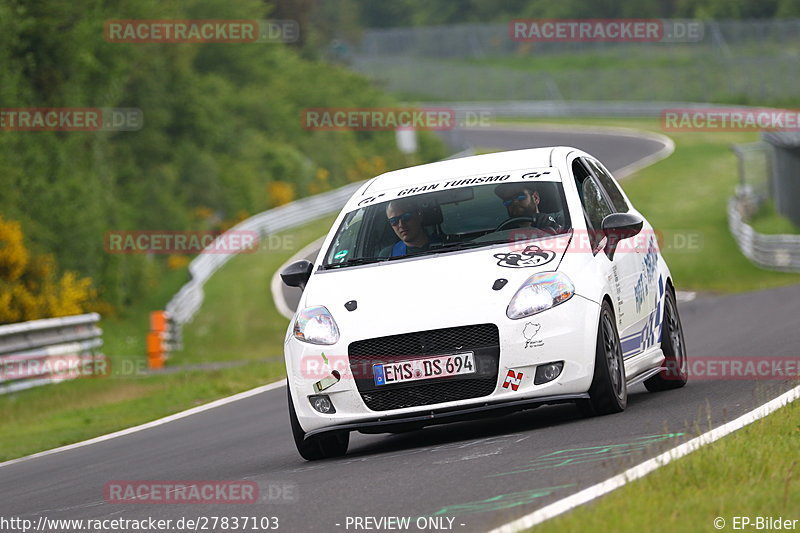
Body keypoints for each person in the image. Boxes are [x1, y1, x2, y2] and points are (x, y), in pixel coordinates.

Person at [494, 183, 561, 231]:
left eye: (520, 197)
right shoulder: (503, 233)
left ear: (535, 198)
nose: (514, 202)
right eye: (508, 200)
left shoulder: (560, 224)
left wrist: (552, 227)